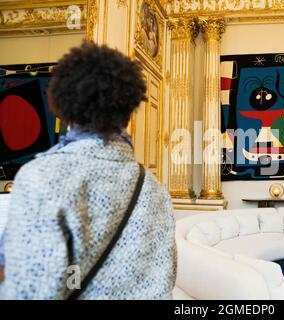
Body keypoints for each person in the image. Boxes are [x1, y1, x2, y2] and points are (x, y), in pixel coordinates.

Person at [0, 41, 176, 299]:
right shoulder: (154, 188)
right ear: (128, 112)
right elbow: (164, 279)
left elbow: (31, 289)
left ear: (58, 106)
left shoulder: (41, 177)